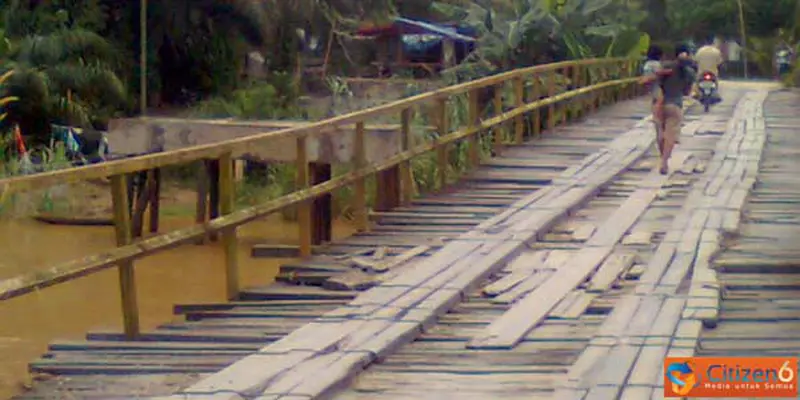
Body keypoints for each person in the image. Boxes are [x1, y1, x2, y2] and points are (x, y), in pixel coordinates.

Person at [654, 45, 696, 175]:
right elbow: (687, 91)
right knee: (671, 135)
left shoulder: (666, 67)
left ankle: (662, 156)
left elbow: (657, 82)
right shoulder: (688, 72)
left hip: (659, 103)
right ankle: (664, 162)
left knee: (660, 132)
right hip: (675, 104)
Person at [639, 45, 668, 152]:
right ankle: (664, 148)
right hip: (661, 94)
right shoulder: (657, 65)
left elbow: (648, 78)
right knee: (662, 124)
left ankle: (661, 149)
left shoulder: (647, 65)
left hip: (654, 95)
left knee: (658, 124)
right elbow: (658, 76)